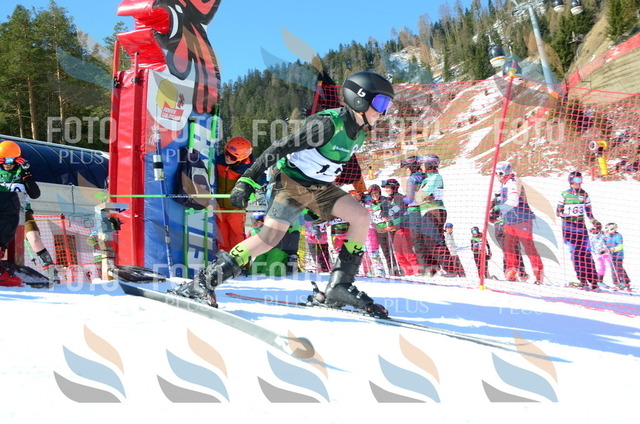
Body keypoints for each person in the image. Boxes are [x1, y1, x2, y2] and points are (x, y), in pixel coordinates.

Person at [171, 71, 394, 317]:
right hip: (292, 183)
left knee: (361, 216)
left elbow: (327, 166)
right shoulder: (327, 125)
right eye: (381, 103)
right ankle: (204, 282)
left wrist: (316, 205)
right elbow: (279, 147)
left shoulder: (359, 133)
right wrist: (248, 180)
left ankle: (339, 286)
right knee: (269, 238)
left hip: (318, 187)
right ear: (359, 99)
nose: (383, 111)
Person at [496, 161, 544, 284]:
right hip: (510, 221)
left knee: (528, 246)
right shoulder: (505, 184)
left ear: (505, 173)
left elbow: (514, 200)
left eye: (499, 173)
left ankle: (538, 273)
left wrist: (500, 208)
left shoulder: (513, 183)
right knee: (509, 246)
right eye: (496, 173)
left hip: (522, 220)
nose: (497, 176)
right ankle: (511, 272)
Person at [556, 171, 599, 289]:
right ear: (570, 181)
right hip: (569, 228)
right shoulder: (565, 194)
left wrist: (595, 222)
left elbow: (589, 212)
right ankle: (582, 279)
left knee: (586, 252)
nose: (577, 184)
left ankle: (593, 280)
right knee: (576, 253)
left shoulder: (584, 194)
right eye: (575, 181)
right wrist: (562, 214)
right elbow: (558, 211)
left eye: (579, 181)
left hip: (581, 227)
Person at [0, 140, 40, 261]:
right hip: (3, 212)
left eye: (11, 161)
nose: (8, 164)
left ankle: (48, 265)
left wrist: (27, 174)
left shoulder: (21, 172)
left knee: (34, 238)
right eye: (4, 160)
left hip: (22, 211)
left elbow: (35, 194)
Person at [215, 136, 254, 252]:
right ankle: (223, 258)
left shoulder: (248, 169)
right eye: (226, 153)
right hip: (219, 206)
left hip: (235, 207)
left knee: (236, 234)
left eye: (232, 157)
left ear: (241, 158)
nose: (227, 158)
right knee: (221, 234)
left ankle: (239, 259)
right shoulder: (219, 161)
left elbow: (258, 182)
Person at [416, 154, 451, 275]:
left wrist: (422, 196)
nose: (421, 166)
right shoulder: (427, 178)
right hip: (427, 211)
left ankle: (451, 269)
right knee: (429, 242)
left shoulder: (436, 177)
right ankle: (439, 269)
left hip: (434, 211)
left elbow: (420, 195)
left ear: (429, 165)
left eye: (423, 164)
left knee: (435, 242)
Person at [382, 178, 419, 276]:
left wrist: (389, 213)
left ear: (394, 187)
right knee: (399, 253)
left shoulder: (399, 197)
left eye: (388, 187)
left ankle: (416, 270)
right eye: (386, 188)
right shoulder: (391, 199)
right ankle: (408, 272)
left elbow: (400, 207)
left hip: (404, 227)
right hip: (397, 228)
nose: (386, 190)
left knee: (407, 251)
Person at [603, 222, 631, 291]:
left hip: (618, 255)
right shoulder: (606, 236)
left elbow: (620, 246)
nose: (607, 232)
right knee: (613, 269)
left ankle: (624, 282)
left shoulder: (618, 236)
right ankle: (616, 283)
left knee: (619, 268)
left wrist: (613, 249)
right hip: (611, 256)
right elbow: (603, 242)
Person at [587, 220, 613, 287]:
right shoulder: (590, 237)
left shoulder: (603, 234)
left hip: (606, 252)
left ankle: (619, 281)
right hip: (598, 254)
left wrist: (608, 249)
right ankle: (599, 281)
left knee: (612, 265)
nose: (598, 230)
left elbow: (608, 242)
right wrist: (594, 253)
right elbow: (590, 246)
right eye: (596, 228)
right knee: (601, 267)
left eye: (599, 228)